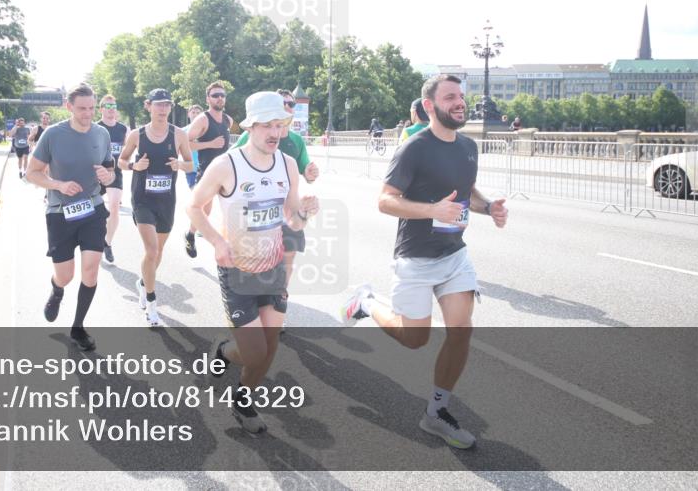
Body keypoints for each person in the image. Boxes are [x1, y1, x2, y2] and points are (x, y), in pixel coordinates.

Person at [339, 74, 508, 450]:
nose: (460, 102)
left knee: (461, 330)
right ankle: (366, 301)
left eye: (461, 96)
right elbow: (385, 200)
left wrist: (487, 207)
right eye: (450, 97)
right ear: (430, 106)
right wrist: (431, 209)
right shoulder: (414, 148)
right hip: (415, 257)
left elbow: (467, 194)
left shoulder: (468, 147)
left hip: (454, 256)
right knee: (415, 339)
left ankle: (436, 413)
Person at [187, 91, 319, 435]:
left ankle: (243, 398)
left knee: (269, 346)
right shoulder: (226, 165)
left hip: (273, 267)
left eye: (280, 125)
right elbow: (193, 207)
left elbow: (292, 219)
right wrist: (216, 241)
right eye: (268, 126)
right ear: (251, 127)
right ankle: (225, 351)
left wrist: (304, 211)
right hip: (238, 269)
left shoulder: (287, 165)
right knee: (254, 351)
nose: (276, 133)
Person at [24, 84, 115, 352]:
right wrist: (58, 185)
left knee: (91, 268)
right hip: (60, 212)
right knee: (66, 275)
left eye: (91, 108)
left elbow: (109, 170)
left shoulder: (102, 133)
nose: (87, 114)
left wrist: (108, 178)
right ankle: (57, 289)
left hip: (92, 208)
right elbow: (32, 173)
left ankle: (78, 327)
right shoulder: (53, 135)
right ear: (69, 107)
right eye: (81, 109)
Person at [117, 89, 194, 326]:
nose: (163, 110)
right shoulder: (137, 135)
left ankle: (143, 282)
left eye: (167, 105)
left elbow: (191, 166)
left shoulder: (179, 134)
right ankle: (151, 303)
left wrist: (180, 164)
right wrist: (134, 165)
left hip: (166, 201)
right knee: (151, 251)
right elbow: (120, 162)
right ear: (148, 106)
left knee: (157, 253)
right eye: (158, 105)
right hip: (142, 200)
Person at [232, 89, 319, 293]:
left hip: (287, 208)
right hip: (258, 207)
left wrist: (309, 172)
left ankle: (281, 293)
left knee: (289, 252)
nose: (289, 107)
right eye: (285, 103)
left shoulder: (296, 140)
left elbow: (305, 171)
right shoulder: (252, 135)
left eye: (292, 104)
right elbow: (232, 159)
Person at [184, 82, 233, 258]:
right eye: (215, 95)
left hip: (226, 173)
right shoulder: (202, 120)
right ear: (208, 99)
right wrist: (210, 144)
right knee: (204, 210)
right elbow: (186, 143)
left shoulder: (228, 120)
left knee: (233, 205)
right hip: (206, 173)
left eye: (222, 95)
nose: (219, 98)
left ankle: (231, 244)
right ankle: (190, 234)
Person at [98, 95, 128, 263]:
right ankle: (94, 237)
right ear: (101, 109)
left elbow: (129, 149)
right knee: (96, 211)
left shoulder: (123, 129)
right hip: (95, 173)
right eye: (107, 105)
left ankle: (107, 243)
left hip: (115, 173)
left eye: (114, 105)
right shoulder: (95, 127)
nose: (111, 108)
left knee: (114, 207)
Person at [184, 105, 204, 189]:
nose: (195, 114)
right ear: (188, 114)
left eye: (198, 113)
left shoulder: (206, 130)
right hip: (191, 167)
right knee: (194, 192)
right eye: (193, 112)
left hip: (205, 166)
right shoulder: (182, 131)